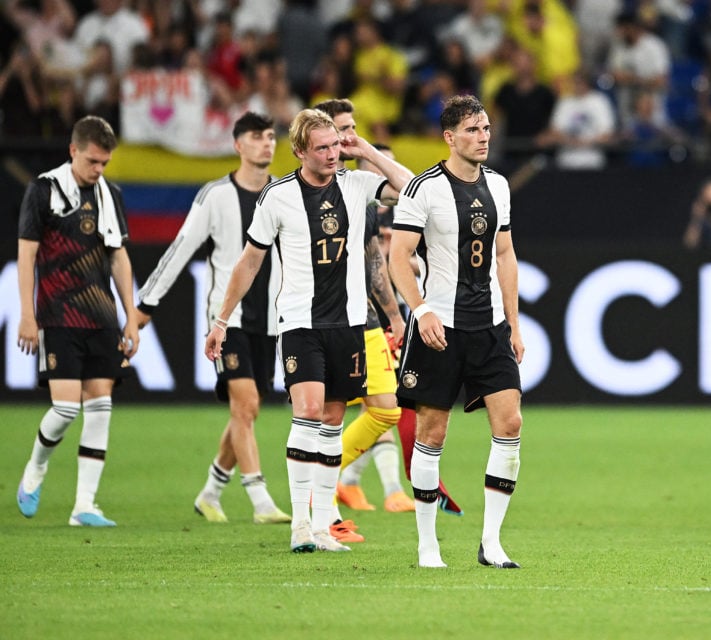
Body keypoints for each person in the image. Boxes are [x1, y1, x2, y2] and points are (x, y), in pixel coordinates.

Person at [204, 108, 413, 553]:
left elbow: (412, 189)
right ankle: (300, 523)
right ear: (300, 151)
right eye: (323, 147)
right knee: (310, 410)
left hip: (350, 324)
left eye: (337, 144)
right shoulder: (277, 196)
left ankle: (322, 525)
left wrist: (368, 151)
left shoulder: (357, 185)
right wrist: (222, 320)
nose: (333, 154)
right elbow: (250, 261)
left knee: (334, 420)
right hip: (301, 324)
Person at [135, 112, 290, 525]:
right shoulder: (215, 195)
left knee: (247, 412)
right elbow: (181, 248)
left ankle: (210, 491)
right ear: (238, 145)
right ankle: (259, 500)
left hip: (273, 321)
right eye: (257, 137)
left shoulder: (284, 194)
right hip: (229, 319)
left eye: (271, 137)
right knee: (248, 403)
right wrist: (145, 303)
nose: (266, 144)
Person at [390, 95, 525, 569]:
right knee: (433, 430)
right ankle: (428, 545)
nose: (483, 136)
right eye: (472, 130)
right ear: (449, 137)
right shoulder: (422, 189)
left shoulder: (500, 186)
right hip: (439, 327)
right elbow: (397, 256)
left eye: (486, 128)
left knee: (510, 424)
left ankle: (492, 543)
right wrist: (421, 309)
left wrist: (512, 321)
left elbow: (505, 255)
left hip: (489, 327)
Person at [15, 114, 139, 527]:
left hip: (101, 317)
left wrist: (131, 316)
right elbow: (27, 254)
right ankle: (36, 468)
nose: (98, 170)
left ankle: (84, 505)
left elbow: (118, 256)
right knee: (65, 410)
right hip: (58, 314)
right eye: (91, 161)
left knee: (101, 408)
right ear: (73, 151)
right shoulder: (44, 190)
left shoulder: (110, 194)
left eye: (104, 163)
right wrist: (27, 315)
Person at [312, 99, 414, 520]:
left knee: (387, 408)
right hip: (322, 319)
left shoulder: (359, 188)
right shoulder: (298, 192)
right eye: (342, 130)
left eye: (353, 128)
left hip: (366, 317)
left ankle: (329, 478)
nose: (349, 137)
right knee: (328, 414)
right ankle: (323, 506)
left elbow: (375, 257)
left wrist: (393, 315)